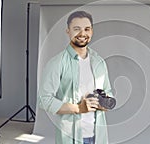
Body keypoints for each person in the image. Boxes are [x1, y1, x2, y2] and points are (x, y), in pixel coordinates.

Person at [38, 11, 113, 144]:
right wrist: (78, 108)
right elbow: (44, 99)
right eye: (76, 29)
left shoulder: (99, 62)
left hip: (98, 137)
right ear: (68, 31)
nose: (82, 34)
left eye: (87, 29)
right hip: (70, 136)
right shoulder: (57, 63)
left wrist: (104, 103)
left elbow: (108, 93)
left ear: (92, 31)